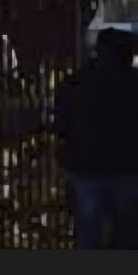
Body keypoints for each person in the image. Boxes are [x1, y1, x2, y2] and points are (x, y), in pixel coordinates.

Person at [54, 27, 138, 248]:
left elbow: (61, 125)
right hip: (128, 168)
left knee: (89, 234)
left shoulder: (76, 82)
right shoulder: (134, 82)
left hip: (87, 168)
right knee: (128, 235)